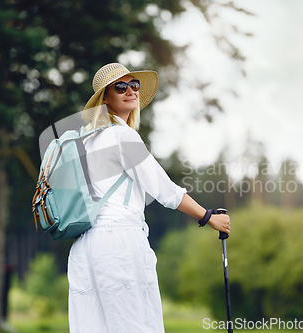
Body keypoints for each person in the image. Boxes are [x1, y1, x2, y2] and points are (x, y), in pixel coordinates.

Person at [67, 63, 230, 333]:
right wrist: (207, 216)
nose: (130, 91)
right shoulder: (123, 136)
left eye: (134, 85)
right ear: (105, 97)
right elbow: (166, 191)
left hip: (85, 247)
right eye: (120, 86)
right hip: (119, 243)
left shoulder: (84, 141)